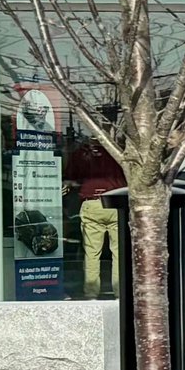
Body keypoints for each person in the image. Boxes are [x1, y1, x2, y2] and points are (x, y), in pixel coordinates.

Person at [66, 118, 126, 299]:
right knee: (119, 252)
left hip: (91, 203)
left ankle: (91, 294)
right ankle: (119, 294)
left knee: (91, 253)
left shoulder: (81, 154)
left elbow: (70, 179)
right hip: (117, 202)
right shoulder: (118, 152)